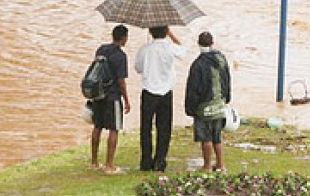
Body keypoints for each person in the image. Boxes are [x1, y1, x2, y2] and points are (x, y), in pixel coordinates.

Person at [134, 25, 187, 172]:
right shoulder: (170, 47)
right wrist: (171, 34)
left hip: (149, 91)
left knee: (146, 128)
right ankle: (160, 160)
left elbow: (138, 68)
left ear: (150, 32)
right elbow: (183, 49)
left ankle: (146, 161)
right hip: (165, 92)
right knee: (164, 127)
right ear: (166, 32)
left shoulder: (145, 49)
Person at [184, 31, 231, 172]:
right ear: (212, 43)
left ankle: (207, 165)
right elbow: (227, 80)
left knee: (206, 137)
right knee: (217, 136)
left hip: (204, 106)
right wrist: (226, 98)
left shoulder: (197, 64)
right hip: (219, 104)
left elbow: (193, 89)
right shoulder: (221, 60)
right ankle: (221, 165)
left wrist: (190, 108)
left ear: (198, 44)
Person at [89, 24, 130, 174]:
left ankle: (94, 162)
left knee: (97, 126)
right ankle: (109, 165)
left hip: (98, 94)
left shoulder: (101, 49)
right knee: (114, 129)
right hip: (113, 96)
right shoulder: (121, 56)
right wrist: (126, 100)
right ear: (124, 38)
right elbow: (121, 81)